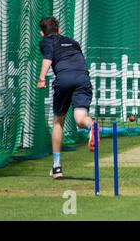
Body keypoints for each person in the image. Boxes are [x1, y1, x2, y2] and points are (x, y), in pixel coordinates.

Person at [37, 16, 98, 179]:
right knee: (80, 117)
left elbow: (48, 58)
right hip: (82, 78)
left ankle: (57, 168)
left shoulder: (46, 41)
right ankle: (92, 127)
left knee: (58, 121)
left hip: (64, 78)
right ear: (59, 30)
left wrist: (42, 78)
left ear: (42, 33)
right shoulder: (73, 42)